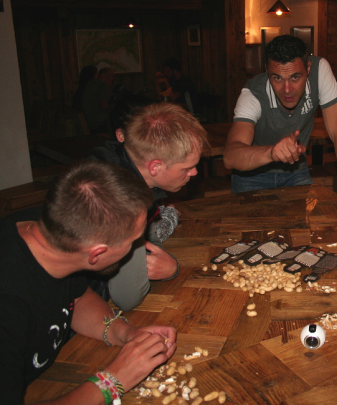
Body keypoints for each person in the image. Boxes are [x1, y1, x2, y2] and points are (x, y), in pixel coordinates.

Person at [0, 160, 177, 404]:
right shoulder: (8, 300)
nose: (136, 247)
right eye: (132, 242)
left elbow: (77, 297)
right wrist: (113, 380)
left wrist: (124, 333)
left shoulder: (54, 229)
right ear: (97, 254)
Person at [223, 34, 337, 219]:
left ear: (308, 68)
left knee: (307, 233)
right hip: (251, 176)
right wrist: (272, 153)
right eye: (277, 78)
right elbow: (230, 157)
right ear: (267, 71)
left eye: (295, 77)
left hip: (295, 171)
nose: (287, 89)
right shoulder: (253, 94)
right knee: (249, 239)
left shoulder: (320, 71)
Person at [88, 102, 210, 311]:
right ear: (155, 167)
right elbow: (128, 297)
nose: (194, 173)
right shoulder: (122, 203)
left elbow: (150, 241)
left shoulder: (123, 164)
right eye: (187, 168)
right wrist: (173, 268)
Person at [82, 66, 115, 134]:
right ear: (107, 76)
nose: (112, 80)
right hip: (98, 123)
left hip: (88, 122)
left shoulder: (90, 83)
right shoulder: (102, 85)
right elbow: (105, 107)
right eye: (112, 78)